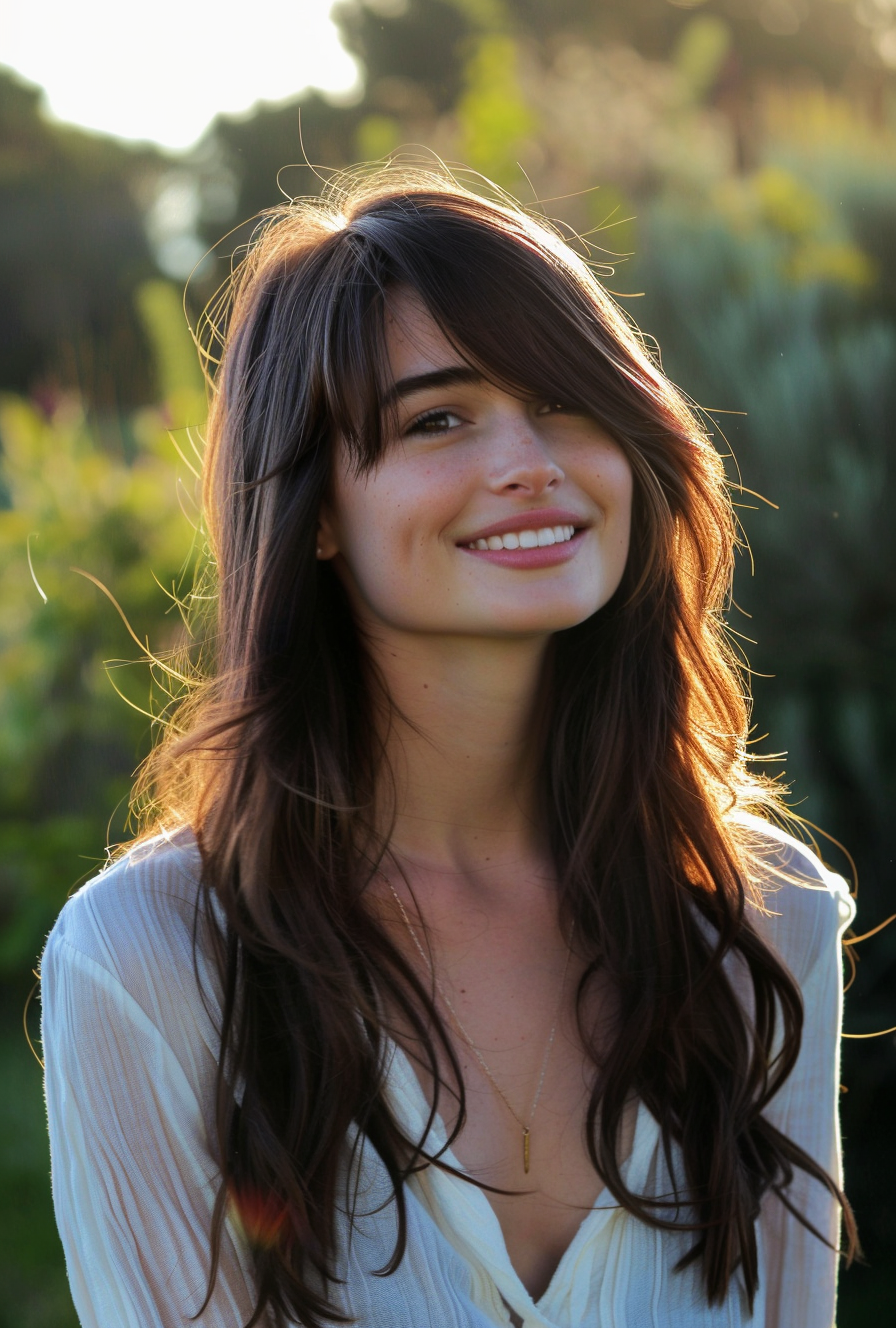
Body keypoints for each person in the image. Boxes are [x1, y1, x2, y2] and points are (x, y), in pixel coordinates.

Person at [41, 166, 857, 1328]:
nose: (531, 460)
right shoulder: (149, 960)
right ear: (315, 510)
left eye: (567, 401)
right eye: (438, 418)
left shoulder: (760, 916)